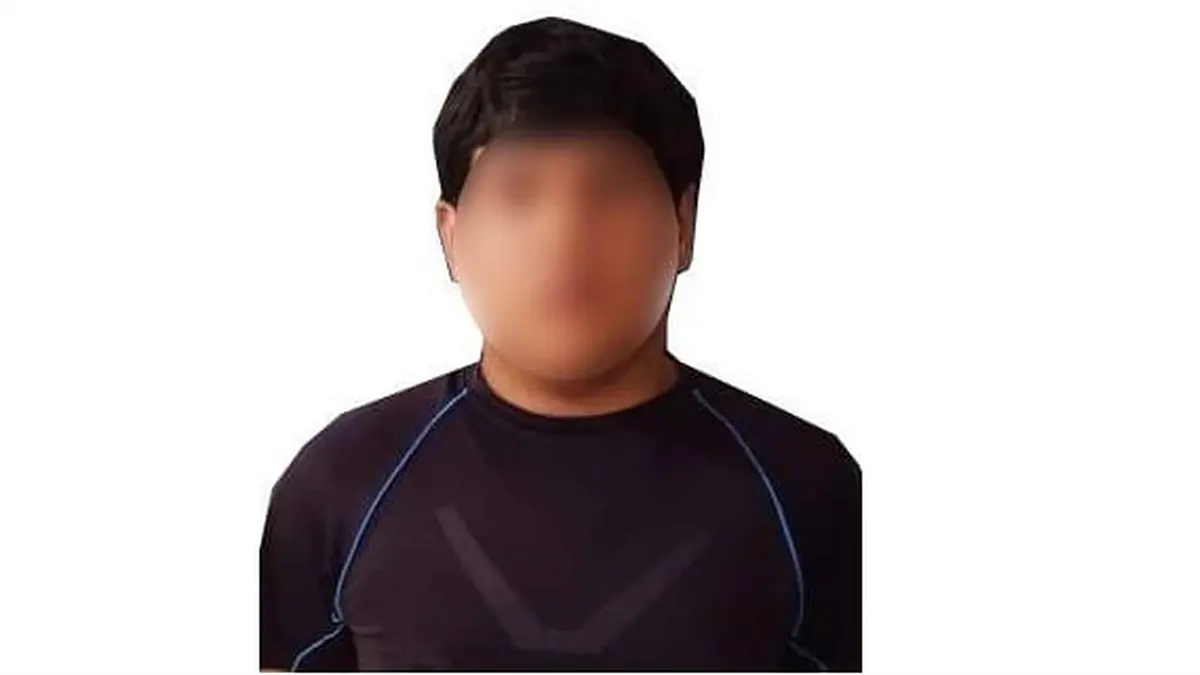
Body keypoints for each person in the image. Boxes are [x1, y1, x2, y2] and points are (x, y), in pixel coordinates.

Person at [259, 16, 862, 672]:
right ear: (452, 237)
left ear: (684, 224)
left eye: (610, 189)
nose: (565, 233)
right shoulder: (342, 482)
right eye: (518, 192)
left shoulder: (810, 490)